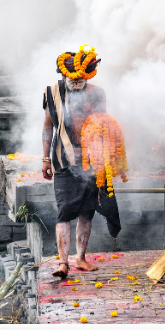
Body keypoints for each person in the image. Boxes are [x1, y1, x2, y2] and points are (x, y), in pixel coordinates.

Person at [41, 45, 122, 278]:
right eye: (71, 79)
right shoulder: (52, 93)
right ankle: (62, 263)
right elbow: (47, 127)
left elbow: (103, 124)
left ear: (88, 75)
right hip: (63, 160)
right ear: (63, 75)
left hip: (92, 160)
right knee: (64, 211)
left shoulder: (97, 93)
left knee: (88, 211)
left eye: (80, 80)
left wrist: (111, 156)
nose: (76, 83)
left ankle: (81, 259)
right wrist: (46, 158)